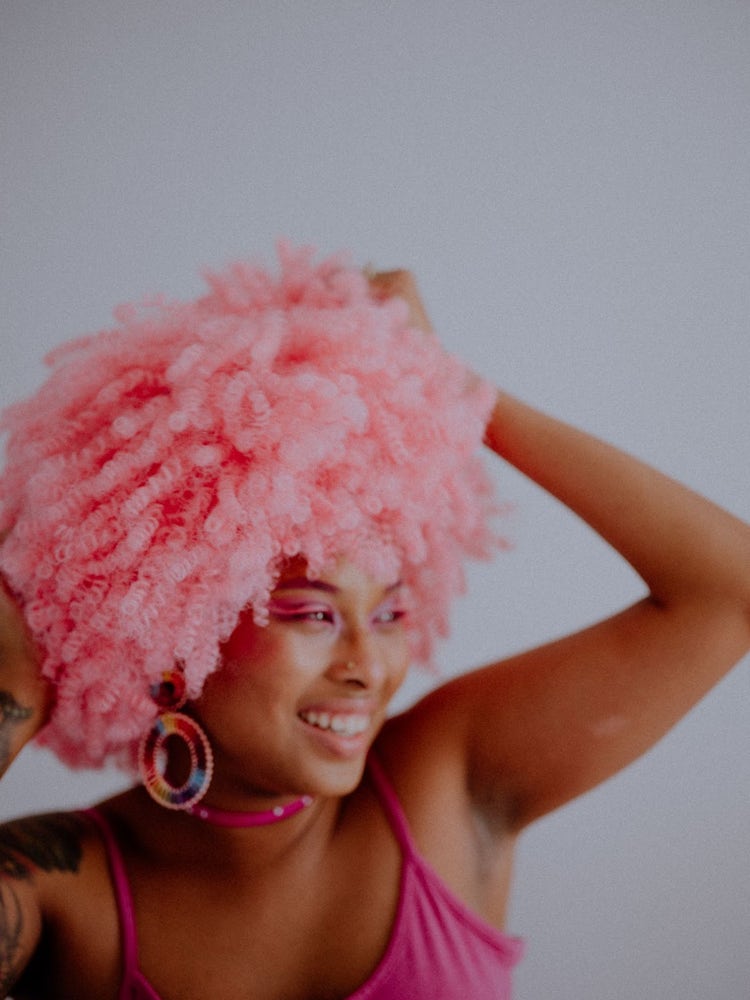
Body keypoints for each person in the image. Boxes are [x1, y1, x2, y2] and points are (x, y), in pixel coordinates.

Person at [0, 246, 748, 1000]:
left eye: (389, 612)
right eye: (315, 614)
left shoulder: (448, 780)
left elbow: (730, 592)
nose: (370, 664)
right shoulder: (59, 883)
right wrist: (14, 688)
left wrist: (453, 392)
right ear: (175, 624)